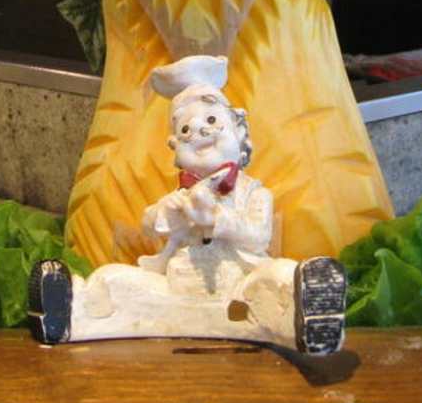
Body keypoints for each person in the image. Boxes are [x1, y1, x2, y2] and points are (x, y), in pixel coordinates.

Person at [29, 56, 346, 355]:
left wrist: (216, 219)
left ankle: (312, 316)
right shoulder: (180, 195)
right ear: (175, 147)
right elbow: (149, 225)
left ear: (239, 132)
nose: (199, 131)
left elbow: (258, 236)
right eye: (185, 130)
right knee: (113, 279)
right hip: (179, 288)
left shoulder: (255, 193)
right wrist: (167, 212)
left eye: (212, 120)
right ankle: (69, 311)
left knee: (279, 277)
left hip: (241, 288)